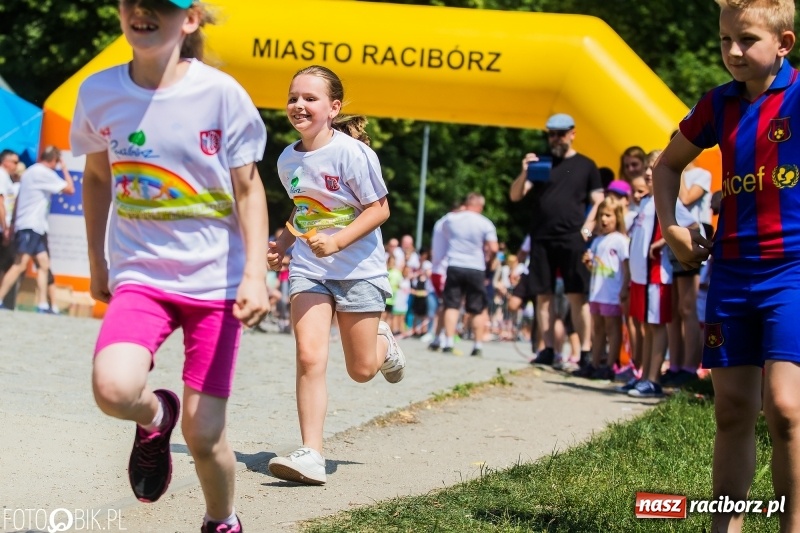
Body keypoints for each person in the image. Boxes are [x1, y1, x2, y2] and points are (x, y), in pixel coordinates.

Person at [68, 1, 269, 531]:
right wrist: (98, 262)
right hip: (142, 276)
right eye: (133, 1)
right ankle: (157, 417)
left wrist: (254, 275)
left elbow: (249, 189)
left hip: (216, 283)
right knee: (112, 389)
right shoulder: (99, 92)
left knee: (204, 437)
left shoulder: (221, 95)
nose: (143, 11)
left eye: (161, 4)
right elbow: (95, 179)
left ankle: (221, 519)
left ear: (190, 19)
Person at [654, 1, 800, 529]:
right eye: (724, 40)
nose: (733, 52)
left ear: (783, 44)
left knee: (784, 409)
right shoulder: (717, 104)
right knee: (733, 410)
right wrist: (672, 228)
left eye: (747, 40)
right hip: (733, 274)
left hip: (793, 273)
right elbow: (667, 165)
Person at [266, 65, 405, 486]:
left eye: (310, 98)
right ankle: (312, 453)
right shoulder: (287, 158)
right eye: (294, 97)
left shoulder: (353, 153)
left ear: (334, 107)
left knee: (361, 370)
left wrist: (340, 241)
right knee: (309, 356)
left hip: (358, 269)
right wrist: (284, 245)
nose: (299, 105)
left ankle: (383, 339)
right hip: (310, 269)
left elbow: (379, 209)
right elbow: (304, 207)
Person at [509, 113, 604, 368]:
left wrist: (587, 227)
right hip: (542, 237)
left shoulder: (586, 165)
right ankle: (548, 348)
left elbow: (598, 200)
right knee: (543, 296)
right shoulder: (540, 162)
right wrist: (524, 171)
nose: (555, 138)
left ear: (572, 133)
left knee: (577, 295)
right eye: (551, 133)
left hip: (573, 237)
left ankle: (585, 351)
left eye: (560, 133)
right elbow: (516, 195)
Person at [0, 146, 74, 313]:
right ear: (54, 160)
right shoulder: (44, 173)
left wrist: (12, 224)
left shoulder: (30, 172)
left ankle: (42, 304)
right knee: (20, 263)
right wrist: (64, 167)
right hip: (31, 224)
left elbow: (18, 199)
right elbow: (70, 188)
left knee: (44, 263)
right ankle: (0, 297)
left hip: (34, 225)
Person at [574, 197, 629, 380]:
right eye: (601, 215)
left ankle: (610, 365)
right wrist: (589, 264)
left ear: (617, 217)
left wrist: (624, 288)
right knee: (597, 329)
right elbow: (598, 266)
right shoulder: (597, 241)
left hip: (612, 292)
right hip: (597, 292)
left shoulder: (620, 241)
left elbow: (625, 266)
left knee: (612, 329)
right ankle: (595, 363)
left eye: (608, 215)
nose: (604, 220)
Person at [439, 192, 499, 357]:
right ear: (480, 206)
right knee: (477, 308)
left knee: (452, 305)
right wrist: (489, 259)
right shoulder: (485, 223)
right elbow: (494, 248)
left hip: (455, 264)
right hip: (476, 267)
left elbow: (441, 234)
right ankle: (477, 345)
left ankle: (449, 343)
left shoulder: (451, 219)